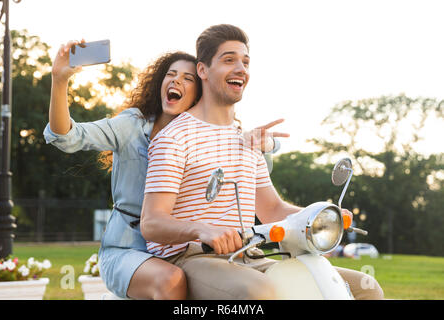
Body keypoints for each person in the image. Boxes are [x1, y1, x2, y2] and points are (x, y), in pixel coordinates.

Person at [141, 24, 384, 300]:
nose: (241, 68)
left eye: (245, 62)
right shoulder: (175, 137)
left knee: (365, 288)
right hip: (192, 258)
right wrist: (202, 229)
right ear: (203, 70)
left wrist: (322, 217)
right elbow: (152, 222)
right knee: (259, 294)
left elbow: (271, 208)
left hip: (250, 255)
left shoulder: (247, 141)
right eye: (229, 59)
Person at [44, 40, 285, 299]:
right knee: (171, 280)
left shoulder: (203, 136)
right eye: (170, 75)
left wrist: (270, 142)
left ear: (200, 90)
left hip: (178, 247)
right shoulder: (132, 125)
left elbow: (254, 167)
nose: (176, 81)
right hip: (129, 247)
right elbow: (66, 135)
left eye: (187, 78)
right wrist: (60, 81)